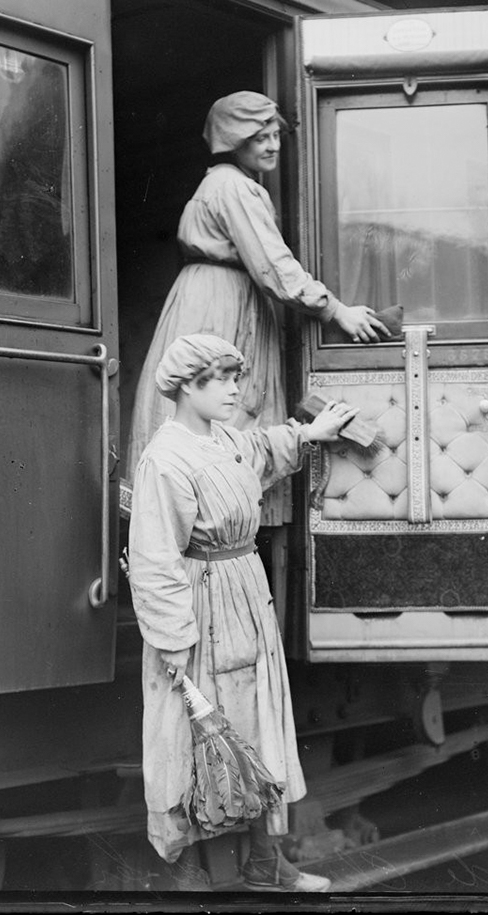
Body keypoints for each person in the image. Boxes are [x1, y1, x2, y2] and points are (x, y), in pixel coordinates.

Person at [128, 333, 357, 892]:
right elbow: (155, 558)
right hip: (198, 606)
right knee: (187, 738)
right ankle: (187, 875)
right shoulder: (165, 458)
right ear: (186, 386)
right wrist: (173, 639)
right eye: (222, 380)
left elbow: (258, 451)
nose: (236, 390)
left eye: (236, 378)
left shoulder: (223, 438)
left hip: (245, 596)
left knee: (257, 724)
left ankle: (265, 865)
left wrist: (309, 433)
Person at [125, 90, 389, 520]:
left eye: (275, 135)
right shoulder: (232, 186)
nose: (272, 145)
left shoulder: (229, 185)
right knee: (222, 412)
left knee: (222, 416)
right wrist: (335, 309)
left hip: (220, 297)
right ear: (234, 141)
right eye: (259, 137)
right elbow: (275, 268)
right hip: (219, 306)